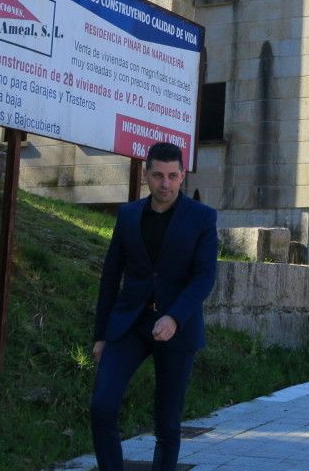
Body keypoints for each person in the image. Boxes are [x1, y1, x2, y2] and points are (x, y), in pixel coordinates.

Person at [90, 141, 218, 471]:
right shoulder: (129, 215)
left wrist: (174, 316)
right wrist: (100, 335)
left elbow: (204, 276)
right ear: (147, 174)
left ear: (182, 176)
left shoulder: (202, 218)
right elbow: (110, 277)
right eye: (158, 175)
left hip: (178, 328)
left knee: (167, 423)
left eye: (173, 176)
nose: (166, 184)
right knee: (102, 407)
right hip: (129, 324)